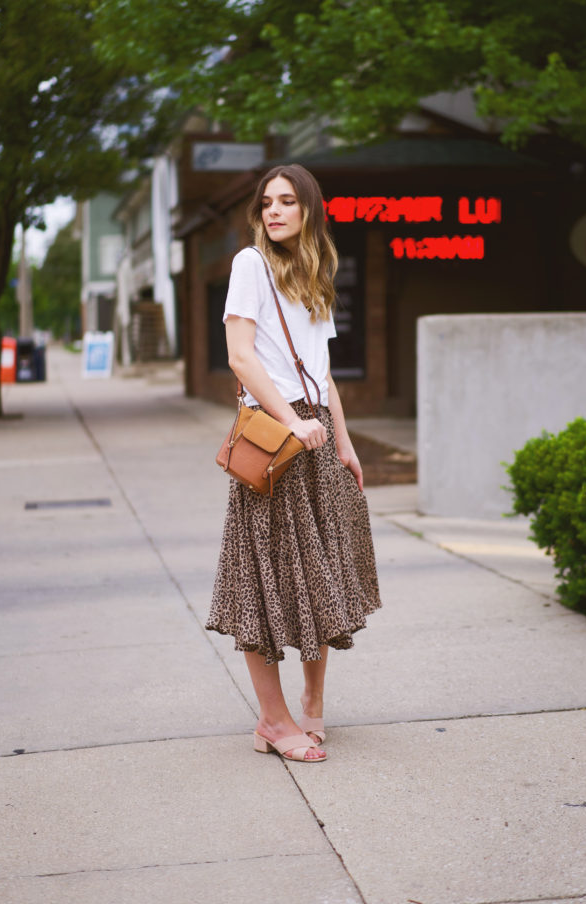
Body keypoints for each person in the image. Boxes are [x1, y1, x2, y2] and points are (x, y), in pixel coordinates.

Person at [206, 163, 381, 762]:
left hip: (315, 433)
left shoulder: (314, 274)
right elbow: (240, 357)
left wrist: (344, 442)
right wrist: (293, 421)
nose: (273, 211)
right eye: (266, 203)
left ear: (309, 211)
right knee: (262, 580)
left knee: (321, 576)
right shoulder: (248, 265)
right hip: (275, 438)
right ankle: (273, 721)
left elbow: (322, 373)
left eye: (286, 202)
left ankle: (311, 703)